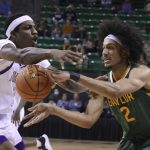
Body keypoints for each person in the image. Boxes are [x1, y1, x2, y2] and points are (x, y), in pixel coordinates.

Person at [23, 18, 150, 150]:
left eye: (110, 48)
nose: (104, 53)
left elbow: (116, 91)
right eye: (103, 48)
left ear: (125, 51)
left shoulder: (141, 72)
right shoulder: (104, 83)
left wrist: (72, 75)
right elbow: (88, 120)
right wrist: (53, 109)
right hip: (130, 141)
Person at [0, 13, 81, 150]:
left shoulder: (39, 61)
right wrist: (52, 52)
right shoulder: (4, 45)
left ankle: (41, 142)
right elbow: (21, 56)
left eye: (34, 27)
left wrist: (94, 86)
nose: (35, 31)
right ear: (13, 34)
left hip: (7, 115)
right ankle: (41, 142)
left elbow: (66, 82)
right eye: (28, 28)